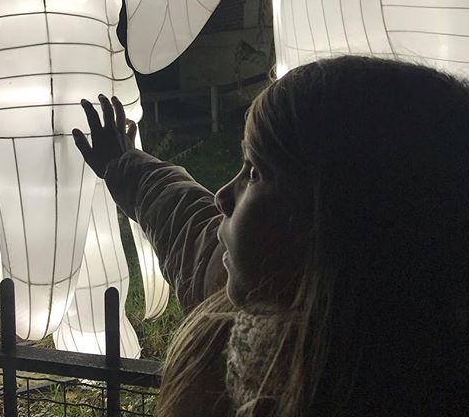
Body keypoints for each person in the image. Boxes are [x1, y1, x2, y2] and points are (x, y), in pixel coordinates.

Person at [72, 56, 469, 417]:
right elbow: (187, 226)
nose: (222, 196)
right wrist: (122, 164)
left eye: (255, 172)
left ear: (335, 218)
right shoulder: (259, 288)